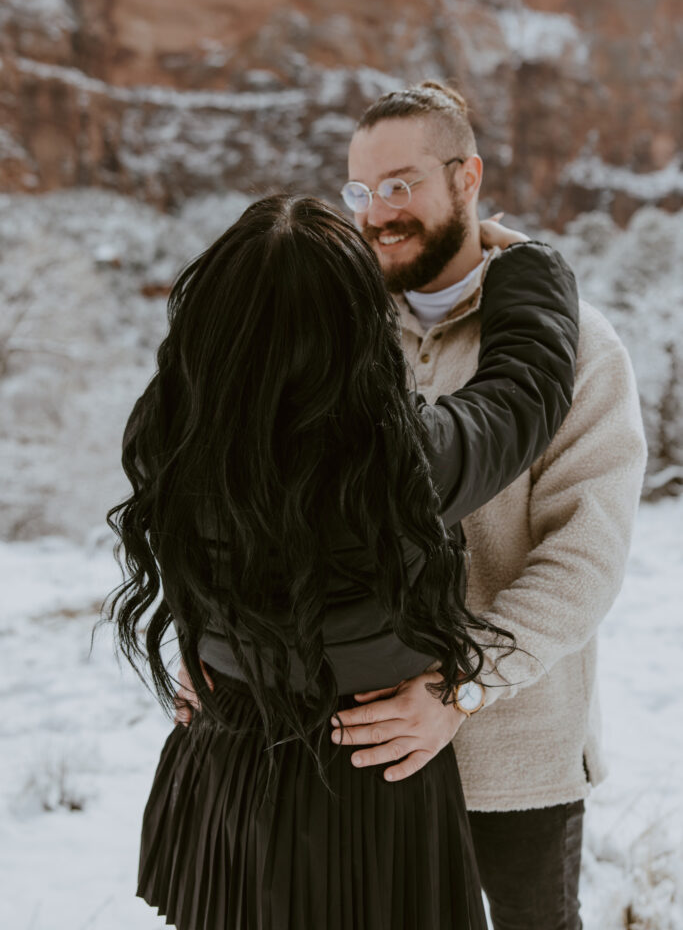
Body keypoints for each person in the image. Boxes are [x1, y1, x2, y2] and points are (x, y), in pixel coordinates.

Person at [107, 192, 579, 930]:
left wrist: (203, 640)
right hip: (367, 772)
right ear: (358, 326)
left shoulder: (170, 431)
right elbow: (526, 387)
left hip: (230, 747)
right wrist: (527, 263)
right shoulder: (402, 462)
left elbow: (190, 552)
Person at [326, 81, 647, 930]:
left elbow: (586, 555)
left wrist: (457, 686)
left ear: (465, 178)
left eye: (402, 185)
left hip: (517, 755)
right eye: (360, 191)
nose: (377, 213)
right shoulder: (337, 337)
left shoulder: (578, 345)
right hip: (368, 746)